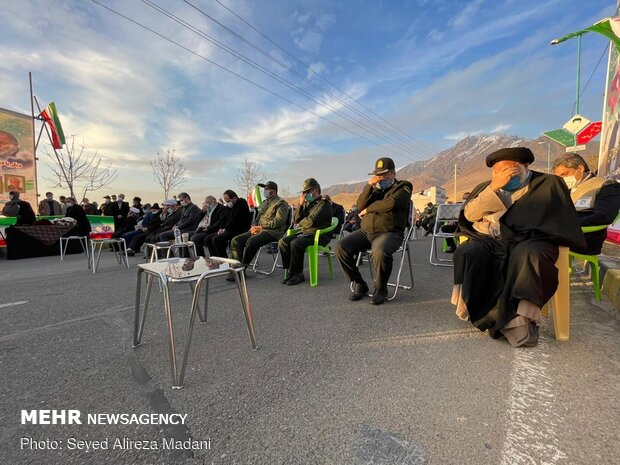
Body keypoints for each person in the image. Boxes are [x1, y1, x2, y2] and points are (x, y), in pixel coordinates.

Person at [452, 147, 585, 348]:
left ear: (525, 167)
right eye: (497, 172)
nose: (504, 176)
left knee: (528, 255)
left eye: (510, 170)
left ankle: (521, 322)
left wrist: (509, 227)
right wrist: (493, 189)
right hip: (492, 240)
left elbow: (555, 221)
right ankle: (475, 309)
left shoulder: (548, 184)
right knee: (469, 252)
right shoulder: (486, 187)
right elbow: (470, 216)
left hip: (533, 239)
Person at [335, 157, 413, 305]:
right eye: (378, 175)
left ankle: (380, 289)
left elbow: (392, 203)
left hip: (389, 232)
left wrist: (368, 209)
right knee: (340, 247)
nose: (380, 178)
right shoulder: (375, 189)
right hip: (366, 232)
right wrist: (369, 186)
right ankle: (359, 284)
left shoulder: (403, 186)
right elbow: (359, 205)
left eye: (384, 174)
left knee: (379, 251)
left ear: (393, 173)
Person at [552, 153, 620, 255]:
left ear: (580, 168)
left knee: (537, 245)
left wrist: (568, 224)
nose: (562, 180)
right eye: (558, 177)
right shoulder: (567, 190)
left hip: (586, 238)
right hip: (565, 233)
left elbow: (603, 217)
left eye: (564, 174)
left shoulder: (607, 186)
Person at [228, 181, 289, 278]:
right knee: (236, 240)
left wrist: (262, 227)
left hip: (273, 232)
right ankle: (235, 270)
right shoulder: (264, 203)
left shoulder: (281, 203)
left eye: (266, 189)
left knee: (251, 241)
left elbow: (279, 221)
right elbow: (258, 218)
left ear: (273, 191)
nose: (264, 191)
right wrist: (254, 226)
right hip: (258, 230)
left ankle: (242, 269)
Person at [279, 178, 332, 286]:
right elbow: (295, 220)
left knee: (296, 243)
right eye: (304, 192)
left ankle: (298, 274)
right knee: (283, 242)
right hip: (306, 233)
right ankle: (291, 271)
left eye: (307, 192)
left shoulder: (324, 204)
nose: (305, 194)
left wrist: (301, 223)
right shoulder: (308, 204)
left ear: (316, 190)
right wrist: (300, 204)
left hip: (319, 235)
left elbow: (311, 221)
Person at [204, 190, 251, 257]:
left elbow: (235, 218)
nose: (227, 203)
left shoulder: (241, 202)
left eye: (228, 201)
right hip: (229, 229)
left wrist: (225, 229)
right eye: (226, 201)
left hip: (239, 229)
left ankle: (224, 260)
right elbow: (223, 218)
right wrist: (221, 228)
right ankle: (216, 259)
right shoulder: (229, 206)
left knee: (216, 239)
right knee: (208, 239)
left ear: (234, 198)